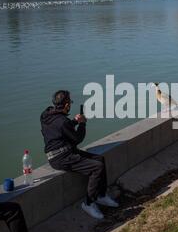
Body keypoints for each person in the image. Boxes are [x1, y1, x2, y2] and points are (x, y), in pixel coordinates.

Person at [40, 90, 119, 219]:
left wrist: (75, 121)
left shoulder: (45, 114)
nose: (70, 104)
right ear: (66, 105)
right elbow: (77, 139)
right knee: (96, 167)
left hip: (63, 152)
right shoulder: (63, 121)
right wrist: (82, 123)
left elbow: (59, 128)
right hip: (61, 158)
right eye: (70, 102)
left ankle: (101, 195)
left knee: (100, 159)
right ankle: (88, 203)